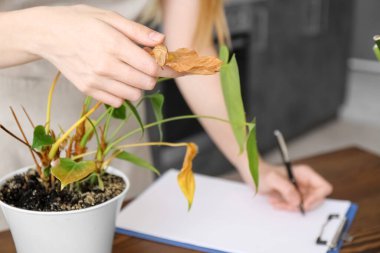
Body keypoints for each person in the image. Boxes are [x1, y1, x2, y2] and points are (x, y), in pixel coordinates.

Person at [0, 0, 332, 223]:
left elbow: (188, 47)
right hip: (16, 122)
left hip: (116, 130)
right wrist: (42, 32)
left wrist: (252, 162)